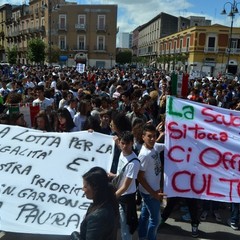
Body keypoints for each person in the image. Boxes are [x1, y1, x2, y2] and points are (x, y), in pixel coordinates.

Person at [137, 123, 165, 240]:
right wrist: (153, 193)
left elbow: (166, 145)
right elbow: (140, 177)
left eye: (154, 136)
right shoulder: (144, 155)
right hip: (150, 193)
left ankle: (142, 236)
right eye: (149, 136)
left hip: (153, 191)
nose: (153, 139)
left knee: (144, 215)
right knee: (155, 220)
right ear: (143, 137)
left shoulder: (154, 147)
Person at [113, 131, 140, 240]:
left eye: (127, 144)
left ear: (132, 143)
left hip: (125, 199)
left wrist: (112, 197)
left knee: (125, 228)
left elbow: (125, 186)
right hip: (119, 195)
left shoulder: (134, 162)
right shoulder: (122, 152)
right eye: (122, 143)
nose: (124, 146)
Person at [78, 167, 119, 240]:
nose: (83, 189)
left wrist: (74, 236)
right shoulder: (109, 204)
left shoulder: (97, 216)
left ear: (95, 188)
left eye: (85, 186)